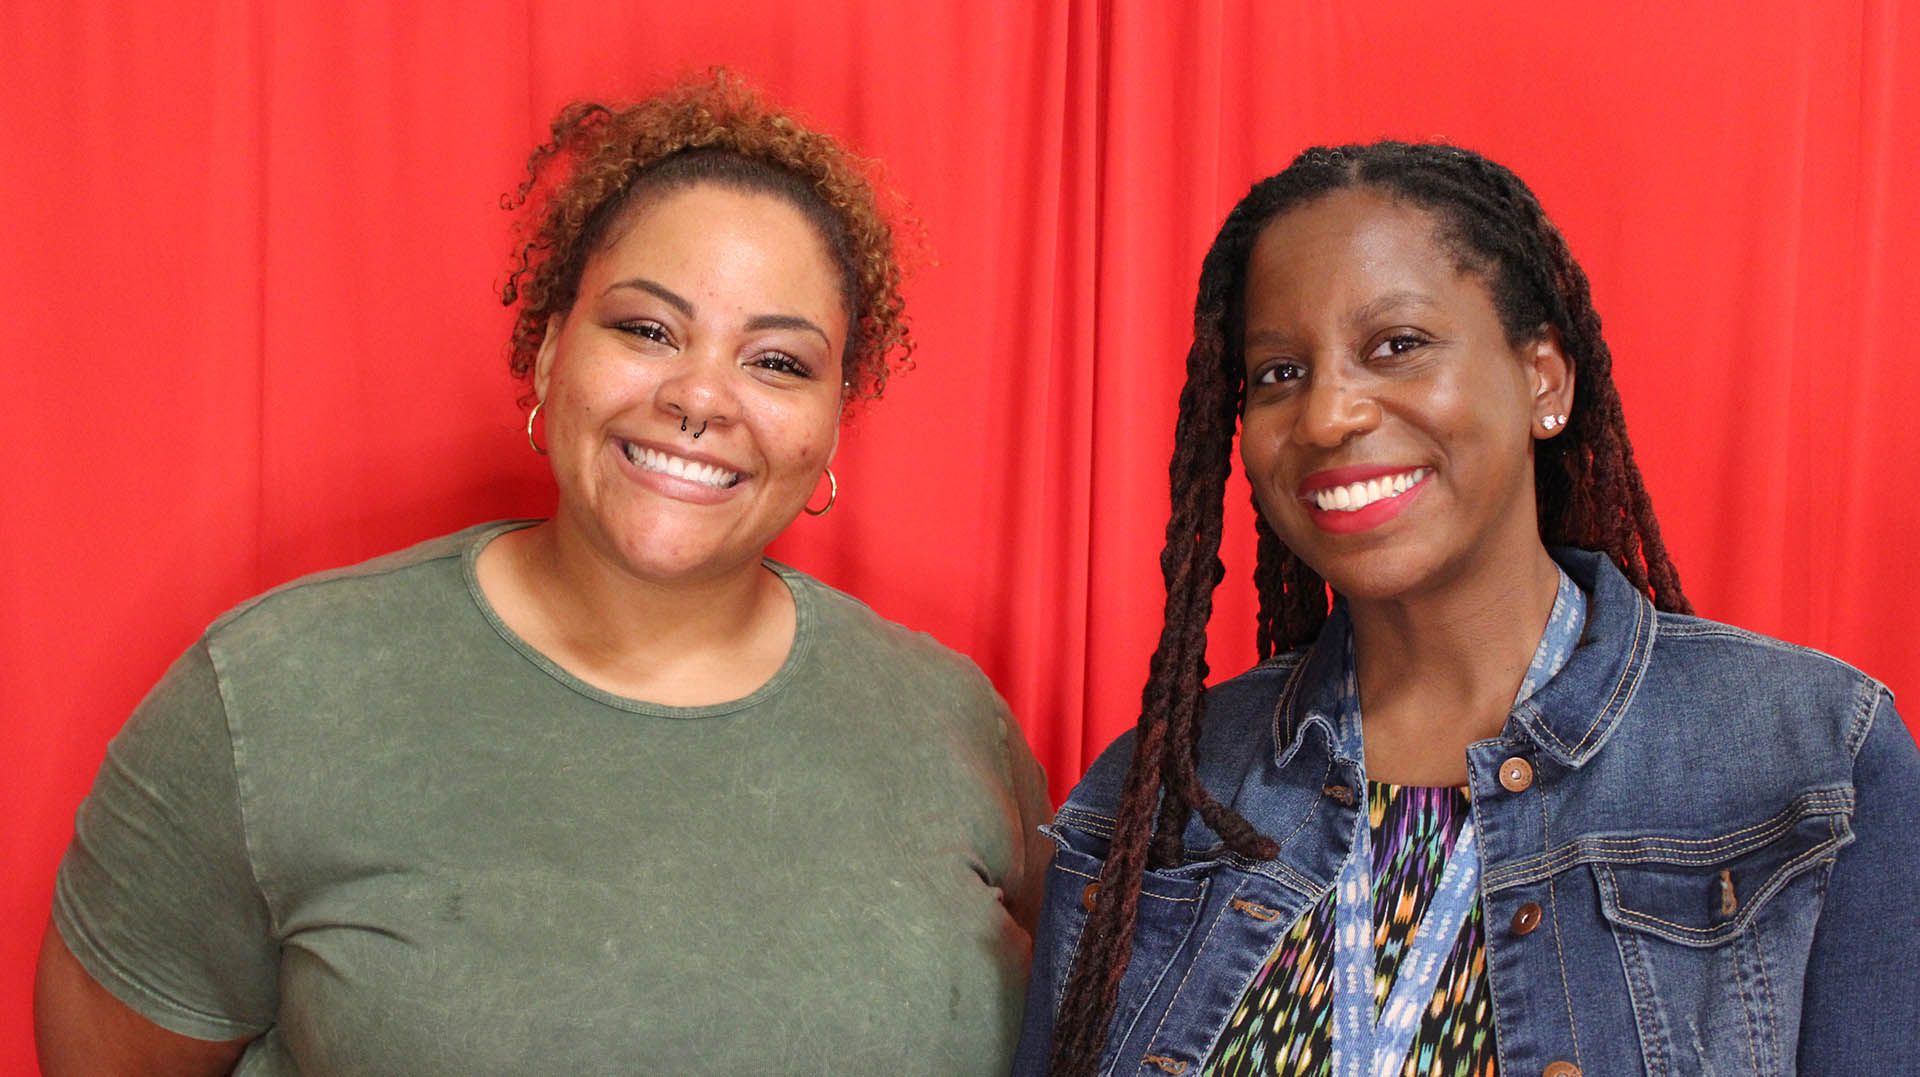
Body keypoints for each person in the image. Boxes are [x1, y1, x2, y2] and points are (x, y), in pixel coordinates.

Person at [36, 74, 1052, 1075]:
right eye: (647, 330)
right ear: (550, 352)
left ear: (834, 421)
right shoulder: (268, 698)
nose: (700, 395)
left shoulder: (953, 727)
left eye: (778, 361)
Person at [1014, 143, 1920, 1076]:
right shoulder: (1165, 793)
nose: (1327, 415)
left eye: (1395, 346)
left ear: (1545, 380)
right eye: (1280, 372)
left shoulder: (1813, 756)